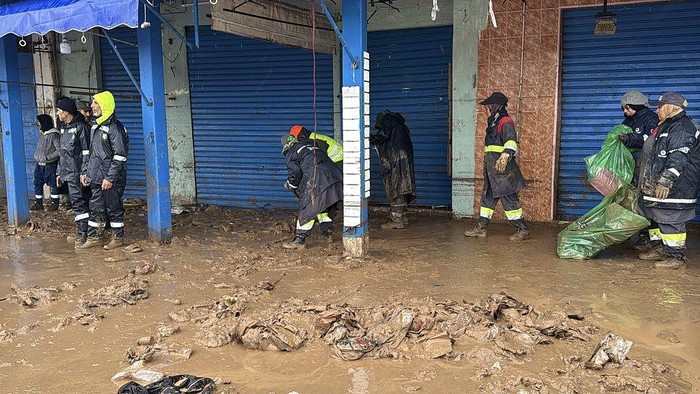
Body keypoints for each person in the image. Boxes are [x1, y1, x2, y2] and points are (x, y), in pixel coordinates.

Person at [637, 92, 700, 269]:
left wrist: (666, 180)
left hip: (676, 187)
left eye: (660, 107)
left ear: (672, 107)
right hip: (657, 184)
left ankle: (676, 257)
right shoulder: (666, 125)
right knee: (656, 216)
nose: (656, 110)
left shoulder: (681, 128)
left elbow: (678, 156)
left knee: (672, 219)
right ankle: (659, 248)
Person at [464, 92, 529, 240]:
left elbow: (511, 141)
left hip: (503, 171)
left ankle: (522, 229)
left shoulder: (505, 121)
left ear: (496, 106)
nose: (486, 108)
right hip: (492, 170)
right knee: (487, 198)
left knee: (509, 199)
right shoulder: (493, 122)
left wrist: (506, 155)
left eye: (489, 105)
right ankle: (481, 228)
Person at [79, 91, 129, 250]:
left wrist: (110, 178)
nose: (92, 106)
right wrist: (86, 172)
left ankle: (118, 238)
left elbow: (120, 155)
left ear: (105, 105)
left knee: (113, 208)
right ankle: (94, 237)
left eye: (95, 103)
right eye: (92, 103)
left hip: (110, 178)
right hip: (96, 176)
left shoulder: (115, 128)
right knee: (95, 207)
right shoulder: (96, 125)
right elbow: (91, 152)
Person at [281, 134, 343, 249]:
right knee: (323, 207)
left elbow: (295, 174)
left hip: (319, 179)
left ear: (286, 146)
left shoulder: (292, 152)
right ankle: (328, 233)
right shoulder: (311, 144)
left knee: (307, 208)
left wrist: (291, 186)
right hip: (335, 176)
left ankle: (299, 240)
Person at [618, 90, 660, 250]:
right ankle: (639, 234)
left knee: (646, 202)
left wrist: (630, 139)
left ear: (636, 106)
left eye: (628, 108)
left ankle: (652, 239)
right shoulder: (629, 120)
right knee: (632, 201)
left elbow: (650, 142)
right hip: (631, 168)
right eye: (624, 108)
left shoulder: (651, 119)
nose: (625, 111)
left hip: (646, 168)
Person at [55, 97, 92, 247]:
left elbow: (87, 152)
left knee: (80, 203)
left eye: (58, 111)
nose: (57, 114)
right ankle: (81, 231)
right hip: (68, 172)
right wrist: (59, 172)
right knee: (75, 203)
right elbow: (63, 153)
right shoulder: (64, 128)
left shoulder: (81, 127)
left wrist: (84, 172)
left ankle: (84, 234)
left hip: (77, 173)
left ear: (65, 112)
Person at [370, 110, 416, 230]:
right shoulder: (401, 126)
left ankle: (397, 220)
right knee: (405, 186)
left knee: (396, 187)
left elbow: (382, 137)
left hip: (396, 158)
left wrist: (371, 138)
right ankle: (403, 216)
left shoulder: (389, 122)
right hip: (405, 158)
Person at [31, 115, 61, 211]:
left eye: (39, 122)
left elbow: (59, 151)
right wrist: (36, 155)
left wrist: (48, 157)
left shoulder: (54, 135)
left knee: (53, 184)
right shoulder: (42, 134)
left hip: (50, 165)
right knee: (37, 183)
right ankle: (38, 203)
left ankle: (54, 203)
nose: (37, 124)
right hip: (39, 165)